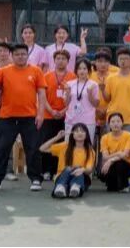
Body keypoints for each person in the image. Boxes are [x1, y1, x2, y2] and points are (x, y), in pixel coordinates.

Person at [0, 43, 49, 192]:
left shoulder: (36, 71)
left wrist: (40, 114)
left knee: (32, 149)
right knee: (1, 149)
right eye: (17, 54)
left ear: (27, 55)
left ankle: (35, 179)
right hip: (7, 117)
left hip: (30, 117)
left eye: (23, 54)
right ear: (12, 56)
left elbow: (41, 94)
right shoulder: (3, 71)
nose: (20, 57)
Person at [40, 49, 74, 181]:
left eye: (63, 58)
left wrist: (64, 111)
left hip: (66, 116)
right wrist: (51, 110)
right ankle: (46, 170)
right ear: (54, 60)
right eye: (58, 58)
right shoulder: (46, 76)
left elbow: (74, 98)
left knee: (62, 142)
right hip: (49, 115)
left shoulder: (73, 77)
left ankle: (57, 170)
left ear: (68, 61)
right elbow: (42, 97)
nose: (60, 61)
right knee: (48, 141)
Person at [39, 123, 95, 199]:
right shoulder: (64, 146)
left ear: (86, 134)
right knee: (69, 168)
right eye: (76, 131)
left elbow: (89, 169)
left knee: (78, 169)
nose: (79, 133)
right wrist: (57, 137)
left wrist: (82, 170)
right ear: (72, 134)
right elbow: (42, 148)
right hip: (63, 176)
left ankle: (74, 187)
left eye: (82, 131)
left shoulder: (90, 150)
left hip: (80, 177)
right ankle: (61, 187)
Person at [98, 113, 130, 192]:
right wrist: (118, 153)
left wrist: (111, 160)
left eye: (118, 121)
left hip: (127, 164)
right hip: (111, 165)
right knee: (110, 186)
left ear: (122, 123)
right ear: (109, 124)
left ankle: (125, 185)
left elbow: (125, 155)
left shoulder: (129, 135)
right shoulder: (104, 138)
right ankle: (117, 183)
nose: (115, 124)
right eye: (113, 122)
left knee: (120, 164)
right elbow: (105, 157)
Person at [64, 60, 99, 142]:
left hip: (88, 120)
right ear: (76, 70)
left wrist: (90, 94)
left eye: (84, 68)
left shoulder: (93, 85)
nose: (82, 71)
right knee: (69, 145)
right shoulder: (69, 84)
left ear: (89, 70)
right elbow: (66, 103)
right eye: (79, 68)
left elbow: (96, 104)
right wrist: (68, 93)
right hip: (71, 120)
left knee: (87, 145)